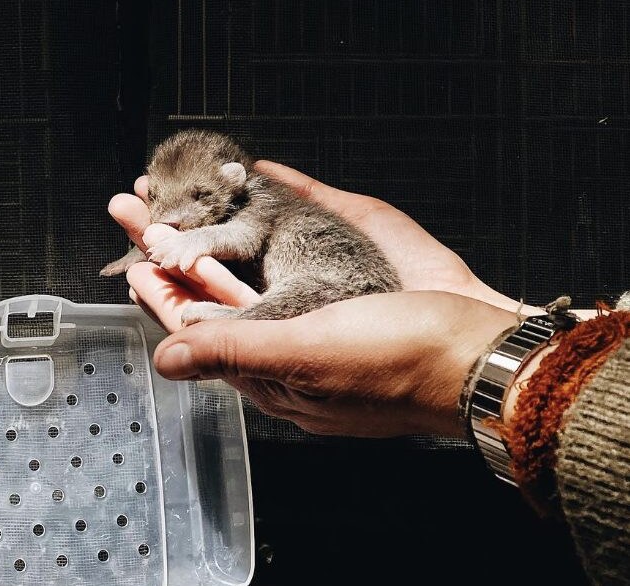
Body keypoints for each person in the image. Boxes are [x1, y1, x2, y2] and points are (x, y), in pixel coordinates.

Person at [108, 160, 630, 584]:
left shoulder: (260, 203)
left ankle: (239, 320)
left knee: (301, 295)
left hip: (342, 282)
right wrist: (515, 325)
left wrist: (460, 359)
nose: (180, 215)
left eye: (201, 197)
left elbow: (242, 237)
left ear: (233, 179)